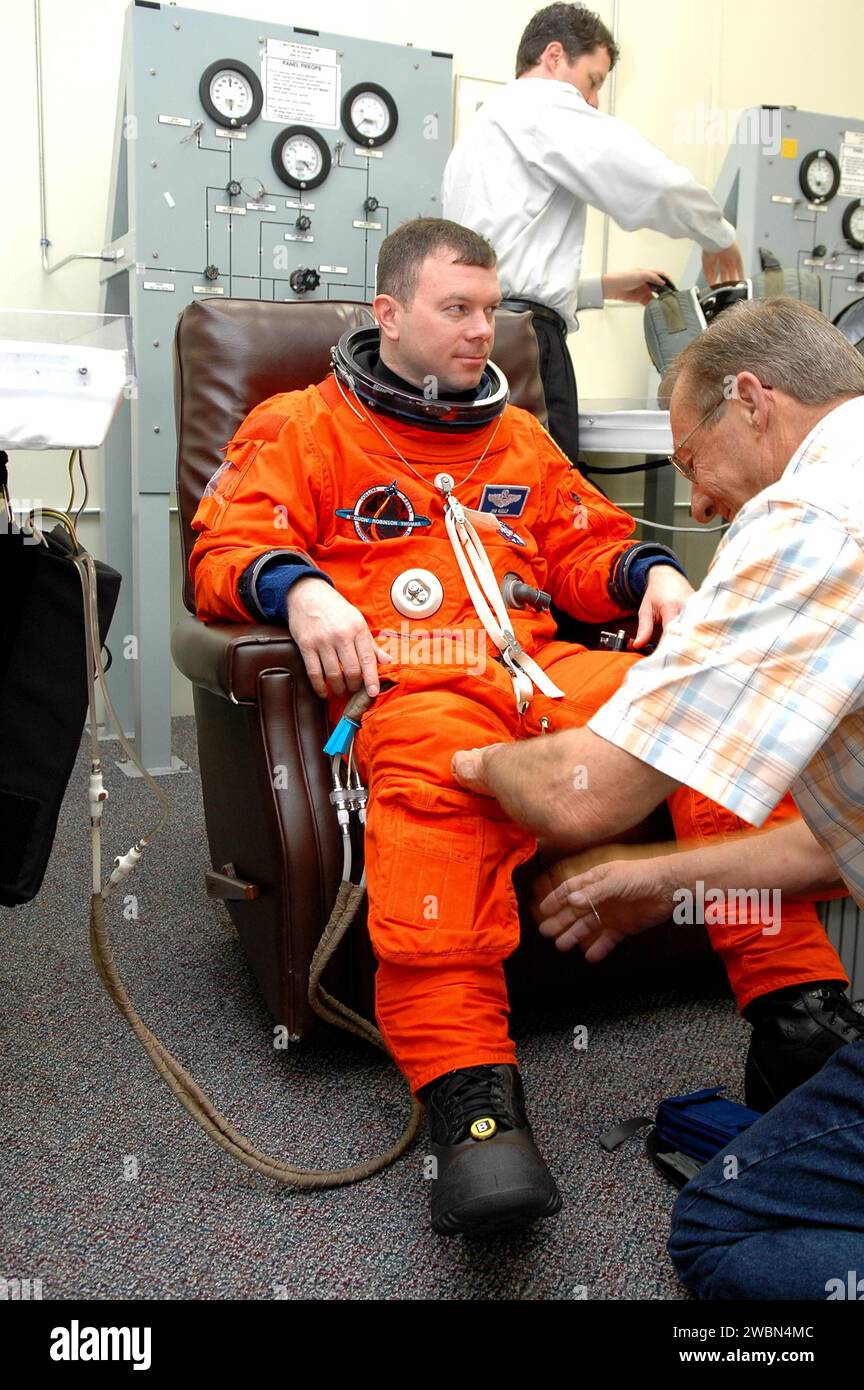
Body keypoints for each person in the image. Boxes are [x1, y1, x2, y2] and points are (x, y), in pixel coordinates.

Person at [189, 224, 850, 1238]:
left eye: (490, 309)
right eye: (456, 308)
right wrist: (304, 589)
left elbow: (584, 541)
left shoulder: (519, 439)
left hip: (543, 667)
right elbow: (229, 540)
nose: (481, 328)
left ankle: (796, 1010)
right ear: (389, 315)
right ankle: (474, 1099)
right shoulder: (300, 428)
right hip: (419, 678)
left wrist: (651, 573)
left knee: (708, 739)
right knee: (431, 794)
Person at [450, 296, 864, 1292]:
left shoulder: (808, 519)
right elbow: (835, 838)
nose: (702, 501)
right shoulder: (303, 431)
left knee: (721, 1229)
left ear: (754, 402)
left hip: (519, 703)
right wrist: (662, 880)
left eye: (690, 461)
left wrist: (474, 761)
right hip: (450, 666)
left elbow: (581, 798)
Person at [442, 2, 744, 460]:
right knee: (546, 501)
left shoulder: (484, 127)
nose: (595, 100)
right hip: (526, 346)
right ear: (555, 56)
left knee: (492, 494)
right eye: (594, 80)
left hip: (479, 341)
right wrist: (718, 235)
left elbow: (497, 275)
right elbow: (652, 181)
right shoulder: (543, 105)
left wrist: (599, 288)